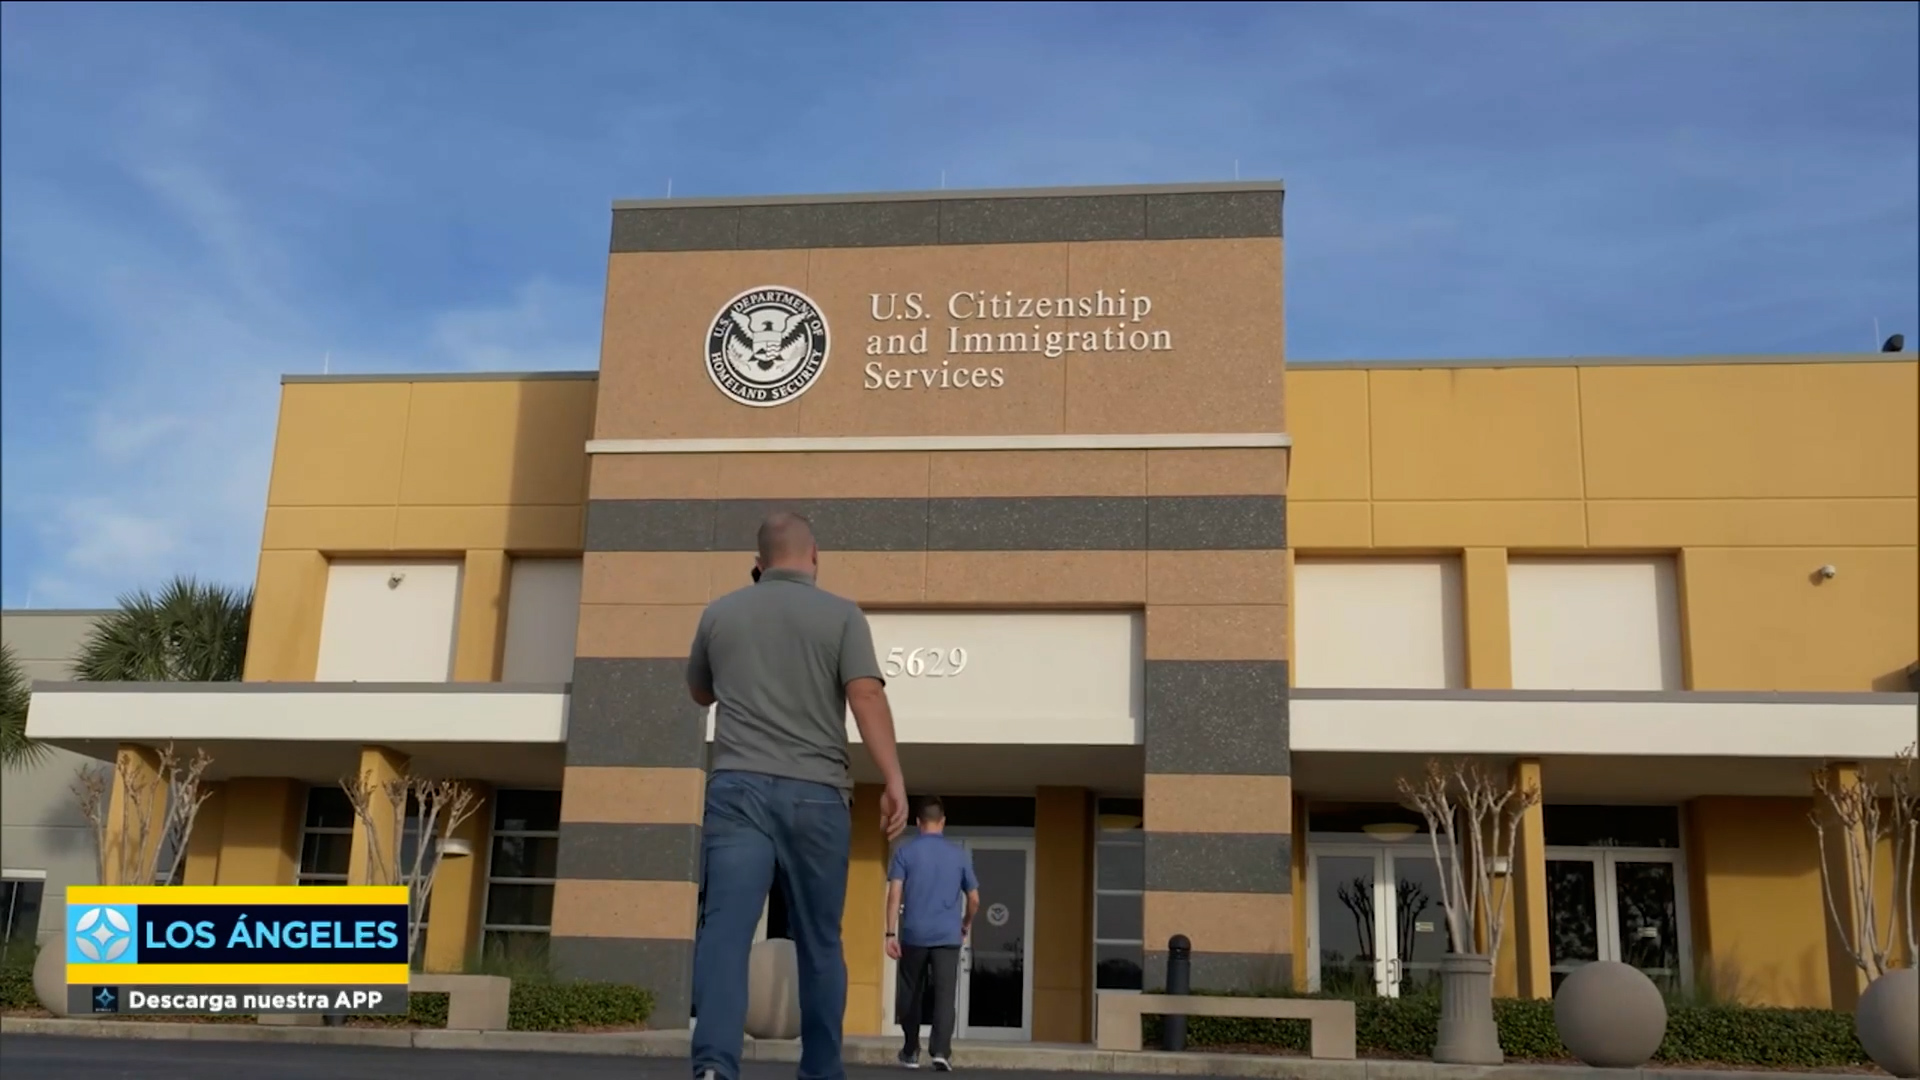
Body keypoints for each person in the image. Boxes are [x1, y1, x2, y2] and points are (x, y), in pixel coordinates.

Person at [687, 511, 910, 1080]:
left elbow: (700, 691)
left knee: (725, 932)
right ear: (814, 557)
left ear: (758, 564)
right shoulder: (842, 615)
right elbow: (865, 696)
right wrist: (893, 778)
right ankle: (821, 1070)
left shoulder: (720, 613)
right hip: (817, 794)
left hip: (737, 788)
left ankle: (713, 1066)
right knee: (819, 941)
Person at [885, 796, 978, 1072]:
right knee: (944, 997)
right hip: (948, 937)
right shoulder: (959, 855)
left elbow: (894, 894)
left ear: (918, 822)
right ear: (943, 822)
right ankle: (940, 1052)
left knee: (910, 993)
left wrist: (890, 933)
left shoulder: (905, 852)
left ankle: (911, 1050)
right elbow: (974, 899)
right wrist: (965, 923)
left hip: (914, 935)